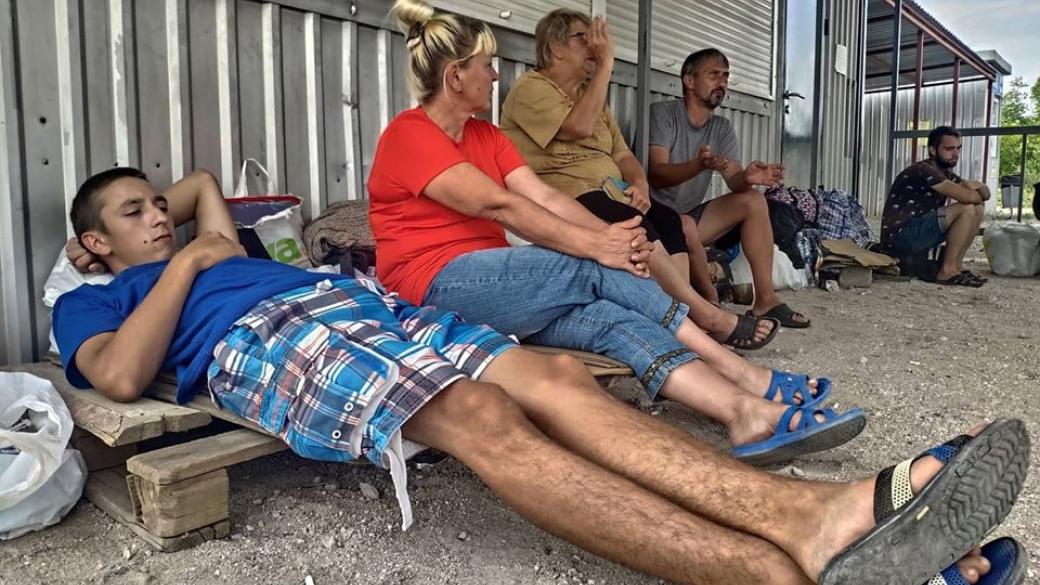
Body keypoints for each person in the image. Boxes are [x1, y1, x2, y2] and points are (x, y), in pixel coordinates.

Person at [56, 161, 1028, 585]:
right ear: (93, 246)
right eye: (134, 214)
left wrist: (177, 223)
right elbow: (120, 376)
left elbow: (202, 190)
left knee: (559, 376)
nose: (162, 216)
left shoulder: (208, 237)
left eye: (158, 204)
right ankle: (782, 558)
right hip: (270, 339)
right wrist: (179, 262)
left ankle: (813, 527)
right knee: (478, 417)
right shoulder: (99, 298)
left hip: (363, 308)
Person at [369, 0, 862, 465]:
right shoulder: (410, 135)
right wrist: (596, 246)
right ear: (456, 76)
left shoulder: (486, 136)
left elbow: (546, 198)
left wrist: (619, 238)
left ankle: (743, 413)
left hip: (501, 284)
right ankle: (740, 371)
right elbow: (501, 205)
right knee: (587, 264)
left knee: (611, 319)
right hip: (434, 285)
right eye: (487, 65)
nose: (496, 75)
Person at [499, 10, 776, 351]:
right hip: (565, 194)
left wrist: (639, 184)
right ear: (556, 47)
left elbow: (622, 154)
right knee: (635, 227)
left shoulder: (590, 95)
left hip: (607, 193)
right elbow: (577, 128)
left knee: (669, 222)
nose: (595, 46)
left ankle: (680, 318)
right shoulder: (532, 87)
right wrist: (606, 64)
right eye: (584, 38)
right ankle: (705, 317)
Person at [647, 48, 811, 328]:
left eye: (725, 77)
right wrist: (698, 166)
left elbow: (734, 180)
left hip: (690, 219)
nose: (722, 83)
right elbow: (657, 174)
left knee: (753, 200)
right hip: (654, 222)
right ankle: (710, 302)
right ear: (689, 80)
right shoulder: (663, 114)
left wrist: (748, 177)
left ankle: (766, 301)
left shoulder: (721, 127)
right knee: (684, 225)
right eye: (713, 75)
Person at [880, 126, 989, 287]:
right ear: (932, 150)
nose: (955, 154)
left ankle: (957, 266)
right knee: (966, 208)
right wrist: (975, 189)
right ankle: (947, 271)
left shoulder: (945, 173)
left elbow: (985, 195)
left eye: (958, 148)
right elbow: (967, 196)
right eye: (949, 149)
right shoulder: (923, 170)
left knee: (977, 207)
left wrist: (978, 186)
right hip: (900, 237)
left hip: (918, 232)